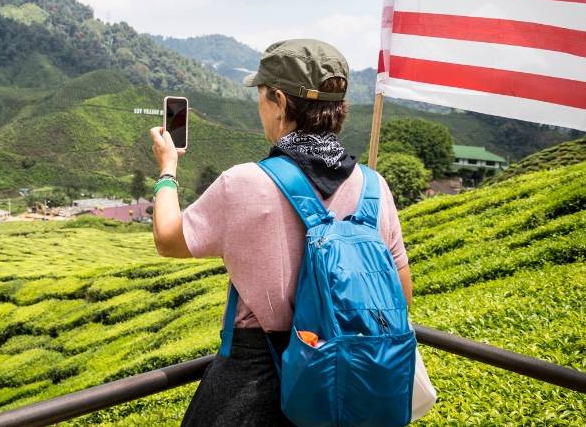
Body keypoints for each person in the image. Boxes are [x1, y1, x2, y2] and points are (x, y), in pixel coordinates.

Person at [148, 39, 412, 427]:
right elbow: (401, 294)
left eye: (261, 97)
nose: (260, 108)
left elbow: (168, 239)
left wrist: (167, 168)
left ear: (280, 102)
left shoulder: (244, 182)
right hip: (346, 379)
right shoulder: (375, 187)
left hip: (257, 382)